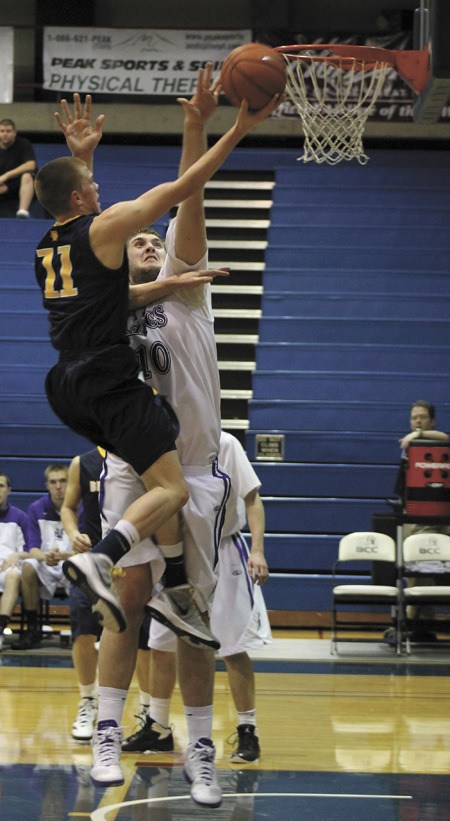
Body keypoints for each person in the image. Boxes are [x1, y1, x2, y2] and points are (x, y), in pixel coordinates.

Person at [33, 87, 279, 649]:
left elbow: (106, 287)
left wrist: (167, 282)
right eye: (91, 184)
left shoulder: (47, 246)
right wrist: (239, 127)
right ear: (80, 197)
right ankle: (102, 556)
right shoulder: (106, 224)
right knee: (171, 488)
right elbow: (183, 187)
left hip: (66, 385)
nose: (100, 188)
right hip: (107, 378)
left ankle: (166, 585)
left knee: (150, 464)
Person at [95, 66, 232, 807]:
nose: (149, 242)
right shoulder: (110, 307)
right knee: (129, 594)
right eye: (140, 240)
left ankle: (201, 747)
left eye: (156, 238)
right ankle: (111, 731)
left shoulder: (189, 286)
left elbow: (189, 199)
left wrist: (194, 128)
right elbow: (93, 261)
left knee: (193, 619)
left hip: (199, 467)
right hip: (132, 461)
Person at [122, 430, 271, 765]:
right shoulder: (161, 443)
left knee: (232, 646)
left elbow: (252, 499)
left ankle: (248, 730)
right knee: (161, 642)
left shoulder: (226, 443)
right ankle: (158, 727)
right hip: (176, 550)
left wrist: (258, 550)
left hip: (224, 549)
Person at [385, 400, 450, 646]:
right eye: (414, 418)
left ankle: (420, 626)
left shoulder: (435, 442)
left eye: (422, 417)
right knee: (412, 572)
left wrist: (418, 435)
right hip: (410, 513)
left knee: (427, 570)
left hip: (435, 515)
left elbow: (444, 436)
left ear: (431, 420)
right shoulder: (408, 446)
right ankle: (411, 624)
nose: (418, 421)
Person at [59, 448, 104, 742]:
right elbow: (67, 507)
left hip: (135, 558)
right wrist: (73, 532)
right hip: (91, 560)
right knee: (83, 631)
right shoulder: (83, 462)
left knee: (143, 641)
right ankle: (88, 699)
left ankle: (149, 710)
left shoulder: (140, 453)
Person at [11, 463, 72, 651]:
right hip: (46, 561)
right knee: (28, 566)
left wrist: (64, 556)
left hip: (71, 562)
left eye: (63, 481)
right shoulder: (36, 508)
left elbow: (87, 548)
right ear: (47, 485)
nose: (58, 486)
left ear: (70, 483)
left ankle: (84, 629)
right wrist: (46, 557)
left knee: (87, 566)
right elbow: (32, 548)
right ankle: (32, 630)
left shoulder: (81, 507)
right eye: (53, 482)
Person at [0, 472, 31, 650]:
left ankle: (0, 631)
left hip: (9, 567)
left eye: (1, 486)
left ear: (9, 490)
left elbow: (32, 548)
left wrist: (17, 555)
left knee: (13, 576)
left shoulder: (20, 517)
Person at [0, 118, 36, 218]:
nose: (5, 134)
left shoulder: (23, 144)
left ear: (14, 132)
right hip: (1, 188)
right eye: (2, 131)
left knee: (27, 176)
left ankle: (22, 212)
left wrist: (6, 176)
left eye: (8, 131)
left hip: (18, 186)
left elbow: (31, 165)